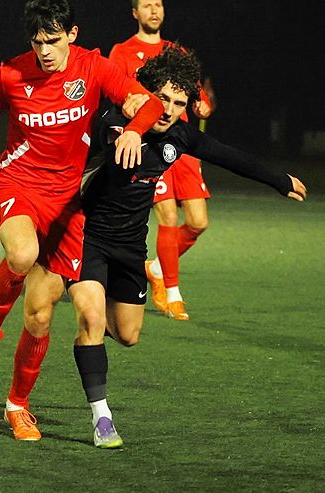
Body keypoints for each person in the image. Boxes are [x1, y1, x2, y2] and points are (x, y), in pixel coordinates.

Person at [0, 0, 166, 441]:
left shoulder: (93, 68)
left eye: (52, 40)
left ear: (72, 34)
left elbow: (149, 104)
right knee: (22, 254)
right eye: (37, 41)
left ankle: (17, 406)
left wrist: (134, 130)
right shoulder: (11, 74)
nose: (44, 51)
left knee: (40, 317)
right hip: (17, 183)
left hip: (65, 205)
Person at [68, 45, 306, 448]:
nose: (168, 110)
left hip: (130, 246)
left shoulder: (178, 135)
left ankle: (89, 337)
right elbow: (79, 145)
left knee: (127, 335)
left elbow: (229, 156)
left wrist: (278, 180)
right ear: (145, 92)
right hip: (86, 236)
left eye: (179, 103)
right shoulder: (113, 119)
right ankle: (102, 418)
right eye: (162, 98)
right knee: (91, 318)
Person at [109, 0, 216, 321]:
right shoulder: (122, 52)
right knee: (167, 216)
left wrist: (202, 105)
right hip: (151, 142)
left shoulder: (176, 52)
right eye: (147, 5)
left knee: (198, 222)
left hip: (181, 143)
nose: (154, 10)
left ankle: (155, 267)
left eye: (158, 4)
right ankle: (172, 293)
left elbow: (196, 94)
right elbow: (115, 90)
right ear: (135, 13)